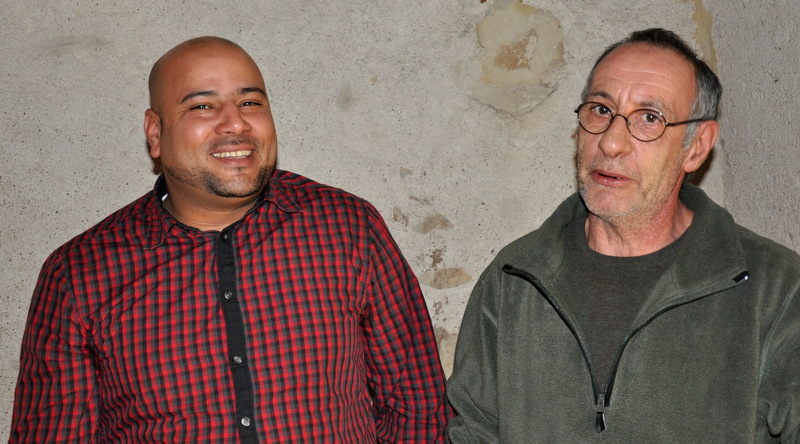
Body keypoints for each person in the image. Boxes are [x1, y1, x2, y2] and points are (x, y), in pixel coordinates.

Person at [10, 36, 450, 443]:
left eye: (250, 102)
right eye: (202, 106)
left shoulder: (348, 228)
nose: (235, 123)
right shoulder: (79, 273)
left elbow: (417, 405)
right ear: (155, 133)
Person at [447, 28, 800, 442]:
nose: (611, 143)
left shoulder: (774, 289)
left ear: (697, 146)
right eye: (601, 110)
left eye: (649, 118)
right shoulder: (514, 279)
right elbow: (474, 432)